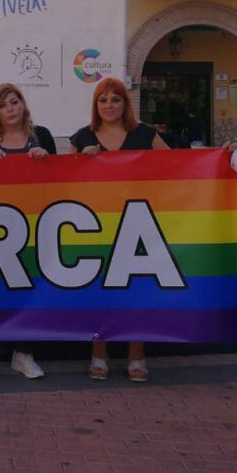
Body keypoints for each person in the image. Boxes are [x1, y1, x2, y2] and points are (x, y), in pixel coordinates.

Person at [68, 77, 168, 383]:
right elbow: (62, 181)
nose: (109, 106)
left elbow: (179, 166)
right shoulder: (82, 137)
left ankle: (136, 355)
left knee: (136, 290)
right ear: (95, 105)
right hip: (96, 225)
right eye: (103, 100)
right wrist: (80, 162)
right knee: (101, 290)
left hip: (140, 223)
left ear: (125, 104)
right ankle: (99, 354)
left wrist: (225, 155)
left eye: (115, 100)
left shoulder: (145, 134)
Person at [0, 82, 55, 381]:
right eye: (4, 104)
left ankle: (24, 354)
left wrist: (45, 161)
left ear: (23, 105)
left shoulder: (41, 136)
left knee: (29, 290)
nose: (10, 109)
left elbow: (58, 179)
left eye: (15, 102)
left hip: (34, 225)